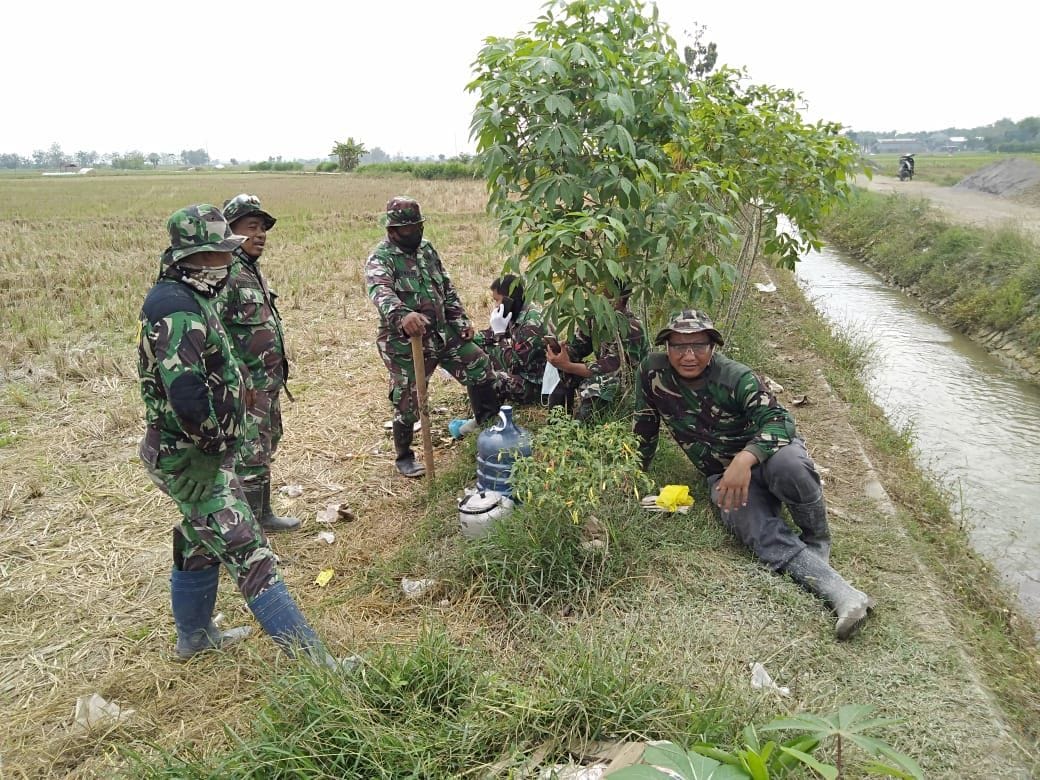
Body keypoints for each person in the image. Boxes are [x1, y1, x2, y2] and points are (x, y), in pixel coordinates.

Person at [138, 204, 335, 663]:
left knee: (198, 537)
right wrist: (208, 456)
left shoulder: (194, 293)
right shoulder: (175, 309)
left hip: (199, 451)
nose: (227, 263)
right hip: (188, 459)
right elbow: (186, 397)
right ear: (193, 257)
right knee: (249, 552)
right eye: (217, 256)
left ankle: (195, 637)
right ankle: (318, 666)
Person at [632, 309, 873, 640]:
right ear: (667, 347)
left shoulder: (736, 377)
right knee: (746, 522)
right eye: (678, 346)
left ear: (713, 347)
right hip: (722, 475)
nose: (689, 355)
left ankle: (817, 539)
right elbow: (644, 423)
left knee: (791, 466)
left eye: (699, 345)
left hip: (765, 457)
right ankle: (841, 593)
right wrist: (634, 472)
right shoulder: (652, 371)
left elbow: (781, 421)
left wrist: (745, 459)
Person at [365, 195, 501, 476]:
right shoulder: (381, 258)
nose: (416, 232)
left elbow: (446, 288)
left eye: (418, 225)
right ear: (392, 230)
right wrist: (402, 315)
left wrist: (460, 320)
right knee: (408, 398)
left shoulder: (427, 250)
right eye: (408, 228)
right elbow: (380, 291)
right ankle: (404, 456)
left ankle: (486, 426)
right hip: (405, 343)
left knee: (478, 362)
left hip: (442, 333)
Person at [217, 194, 299, 533]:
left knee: (266, 444)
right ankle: (247, 533)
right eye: (251, 227)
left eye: (263, 228)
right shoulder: (225, 273)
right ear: (230, 231)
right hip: (246, 386)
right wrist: (238, 377)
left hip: (267, 383)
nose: (260, 234)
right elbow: (214, 331)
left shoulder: (251, 270)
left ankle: (262, 515)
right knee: (248, 454)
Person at [449, 274, 547, 437]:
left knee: (484, 376)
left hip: (534, 384)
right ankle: (483, 409)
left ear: (509, 300)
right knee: (475, 355)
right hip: (522, 372)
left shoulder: (530, 325)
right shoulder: (515, 313)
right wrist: (470, 339)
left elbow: (515, 363)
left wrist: (500, 336)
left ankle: (484, 420)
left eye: (497, 300)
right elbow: (490, 336)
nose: (495, 306)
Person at [545, 282, 648, 421]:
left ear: (617, 299)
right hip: (605, 376)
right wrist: (562, 351)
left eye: (602, 292)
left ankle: (579, 427)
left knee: (598, 385)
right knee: (561, 371)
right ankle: (557, 421)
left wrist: (567, 365)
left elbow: (612, 368)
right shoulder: (596, 318)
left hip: (628, 385)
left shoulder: (631, 327)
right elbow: (579, 345)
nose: (595, 294)